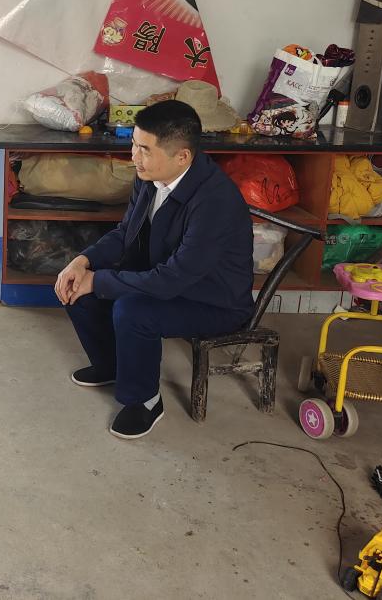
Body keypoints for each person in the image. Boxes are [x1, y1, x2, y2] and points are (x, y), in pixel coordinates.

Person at [54, 100, 253, 440]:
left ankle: (144, 400)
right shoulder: (150, 176)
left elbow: (173, 280)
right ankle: (112, 365)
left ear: (182, 156)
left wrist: (98, 281)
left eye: (144, 150)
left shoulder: (215, 202)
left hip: (213, 299)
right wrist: (83, 261)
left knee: (132, 310)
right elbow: (124, 234)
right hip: (164, 272)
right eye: (134, 145)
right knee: (77, 285)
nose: (134, 156)